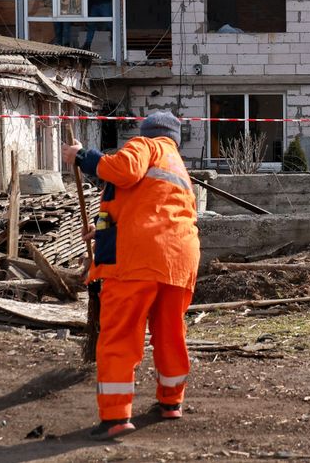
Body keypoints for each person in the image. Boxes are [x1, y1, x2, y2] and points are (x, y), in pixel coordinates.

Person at [61, 111, 200, 440]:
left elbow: (122, 170)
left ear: (149, 132)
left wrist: (82, 156)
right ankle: (171, 402)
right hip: (178, 260)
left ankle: (115, 417)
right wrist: (101, 232)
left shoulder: (146, 145)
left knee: (120, 335)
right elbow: (146, 207)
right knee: (170, 334)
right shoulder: (176, 165)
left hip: (138, 261)